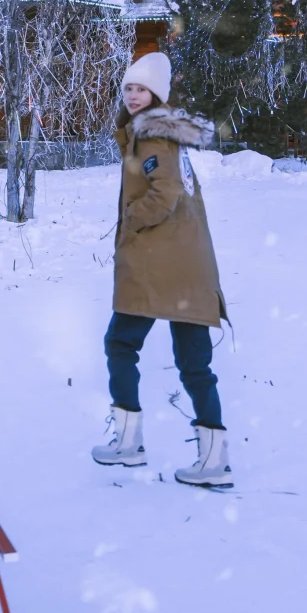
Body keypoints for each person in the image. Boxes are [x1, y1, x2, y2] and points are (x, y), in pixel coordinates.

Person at [91, 51, 234, 488]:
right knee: (193, 363)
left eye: (141, 89)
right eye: (129, 88)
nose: (133, 96)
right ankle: (213, 459)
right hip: (184, 266)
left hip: (159, 264)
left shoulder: (153, 138)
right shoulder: (164, 135)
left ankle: (129, 444)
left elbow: (165, 192)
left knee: (121, 343)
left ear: (156, 95)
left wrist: (132, 218)